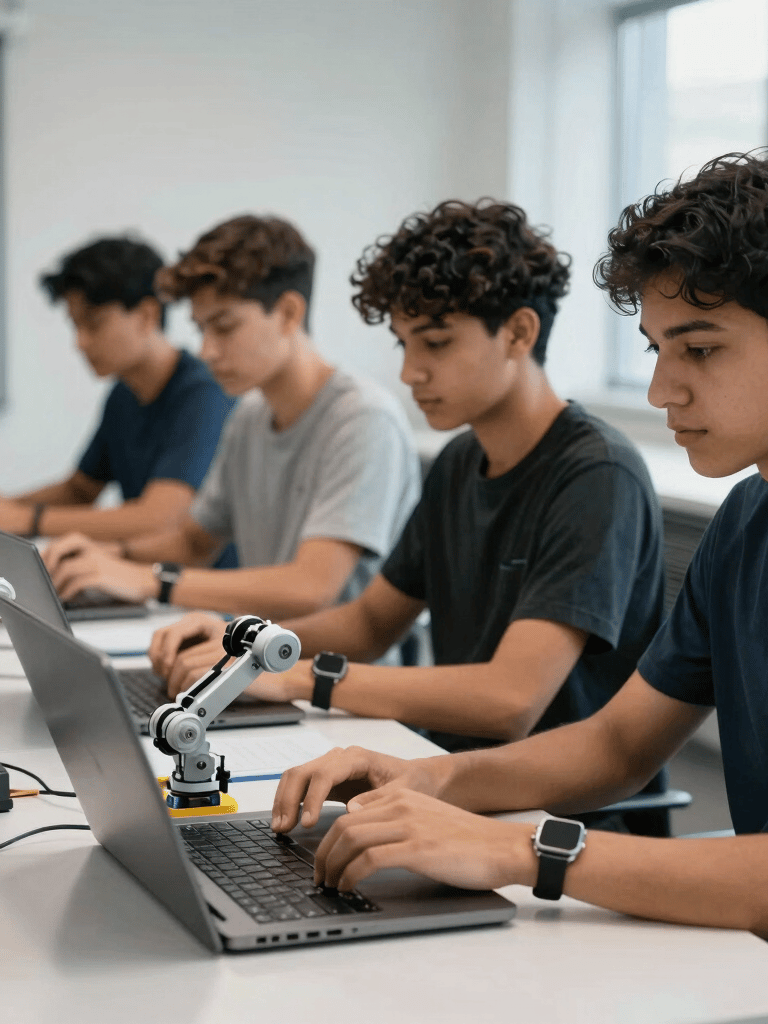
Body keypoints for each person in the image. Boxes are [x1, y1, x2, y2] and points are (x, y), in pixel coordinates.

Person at [268, 153, 768, 937]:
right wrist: (428, 778)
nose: (659, 392)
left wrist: (519, 849)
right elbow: (617, 744)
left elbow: (513, 703)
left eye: (699, 350)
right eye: (655, 350)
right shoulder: (744, 520)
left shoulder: (597, 471)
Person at [150, 200, 666, 830]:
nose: (409, 371)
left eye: (436, 343)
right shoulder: (460, 461)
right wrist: (246, 645)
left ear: (519, 333)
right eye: (404, 343)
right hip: (443, 782)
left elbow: (510, 700)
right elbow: (370, 620)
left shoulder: (597, 476)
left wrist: (299, 679)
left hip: (556, 822)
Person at [44, 214, 420, 632]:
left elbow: (311, 587)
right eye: (202, 329)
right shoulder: (250, 416)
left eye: (224, 328)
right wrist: (109, 558)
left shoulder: (362, 419)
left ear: (288, 313)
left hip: (329, 668)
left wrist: (149, 581)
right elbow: (194, 541)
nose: (207, 351)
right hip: (255, 653)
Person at [0, 236, 235, 543]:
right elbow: (79, 491)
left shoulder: (205, 394)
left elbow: (160, 519)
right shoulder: (123, 395)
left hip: (199, 573)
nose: (80, 343)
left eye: (94, 324)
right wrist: (9, 509)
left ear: (147, 315)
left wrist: (26, 519)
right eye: (75, 326)